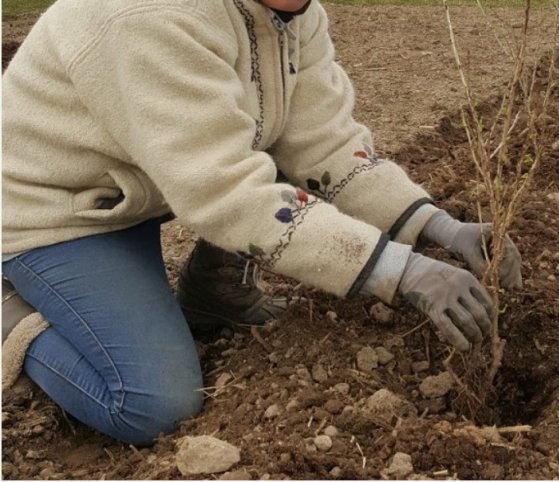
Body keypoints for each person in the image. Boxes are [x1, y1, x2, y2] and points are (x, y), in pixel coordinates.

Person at [2, 0, 522, 445]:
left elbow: (326, 146)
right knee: (151, 404)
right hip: (54, 210)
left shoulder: (292, 13)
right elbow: (224, 190)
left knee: (265, 152)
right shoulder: (150, 16)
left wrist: (438, 226)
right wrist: (404, 271)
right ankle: (11, 316)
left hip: (141, 182)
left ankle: (213, 293)